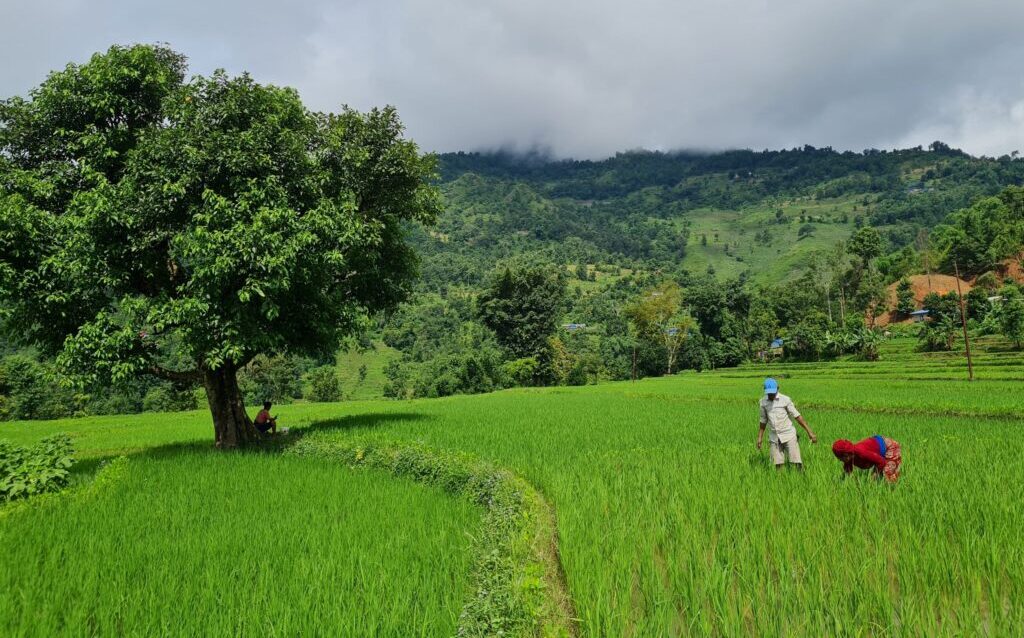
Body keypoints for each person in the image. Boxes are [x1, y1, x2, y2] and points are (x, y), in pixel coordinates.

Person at [757, 378, 817, 470]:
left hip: (789, 434)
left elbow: (797, 416)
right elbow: (763, 420)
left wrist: (810, 432)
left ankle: (800, 476)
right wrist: (760, 437)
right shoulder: (763, 402)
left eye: (772, 393)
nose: (771, 395)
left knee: (796, 461)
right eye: (769, 393)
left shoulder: (785, 400)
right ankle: (780, 478)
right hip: (774, 437)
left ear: (777, 388)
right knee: (777, 464)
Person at [832, 436, 902, 483]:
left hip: (889, 446)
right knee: (880, 478)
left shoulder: (861, 453)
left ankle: (893, 490)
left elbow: (881, 461)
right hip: (877, 444)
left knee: (889, 474)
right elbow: (848, 472)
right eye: (839, 458)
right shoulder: (848, 459)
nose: (840, 460)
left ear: (847, 454)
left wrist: (874, 475)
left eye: (841, 458)